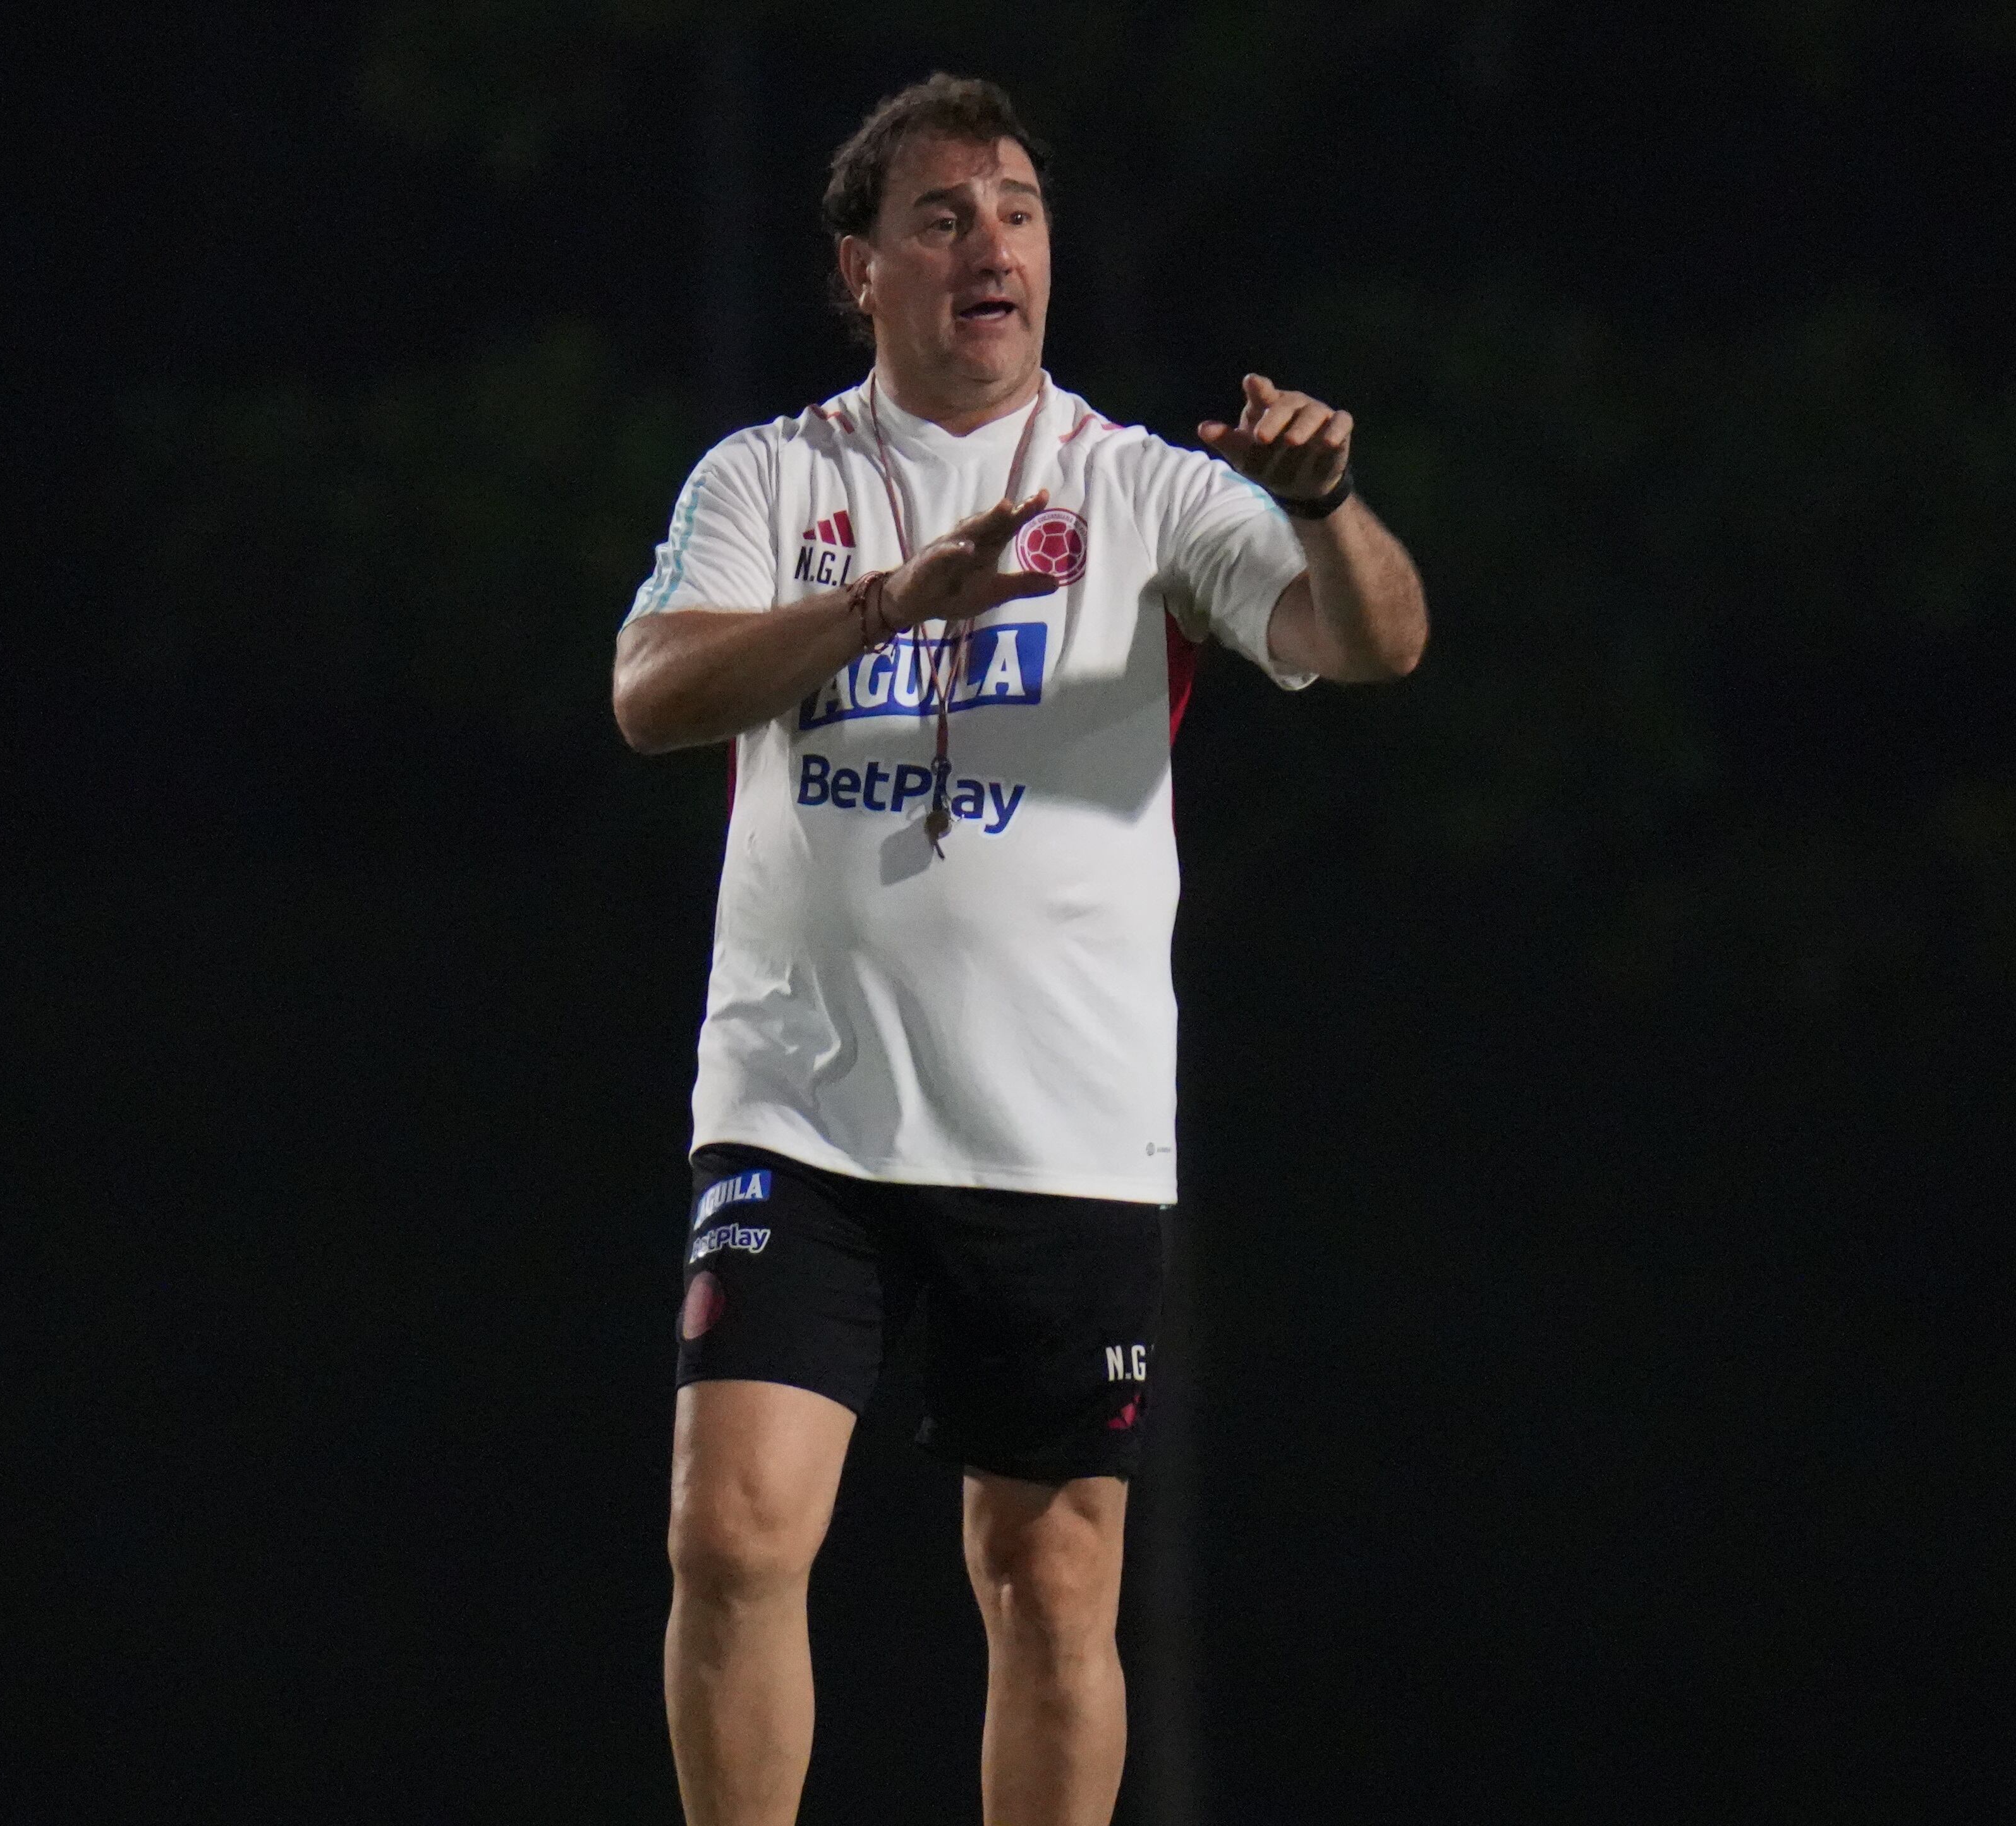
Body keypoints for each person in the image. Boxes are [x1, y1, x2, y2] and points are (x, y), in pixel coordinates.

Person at [610, 73, 1428, 1825]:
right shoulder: (773, 474)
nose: (992, 243)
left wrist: (1332, 501)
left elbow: (1375, 640)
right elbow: (652, 690)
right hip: (802, 1107)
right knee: (730, 1533)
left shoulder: (1137, 487)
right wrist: (884, 603)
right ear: (862, 271)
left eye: (1019, 210)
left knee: (1050, 1585)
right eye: (943, 215)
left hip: (1060, 1123)